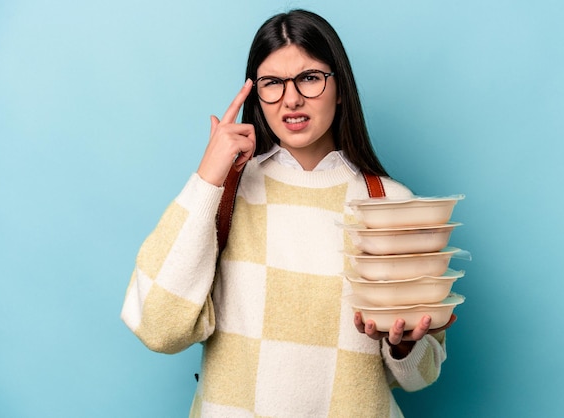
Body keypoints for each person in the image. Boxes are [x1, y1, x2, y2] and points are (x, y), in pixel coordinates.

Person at [121, 9, 455, 417]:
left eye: (310, 78)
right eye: (272, 83)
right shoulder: (224, 193)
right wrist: (208, 175)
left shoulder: (391, 203)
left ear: (341, 87)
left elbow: (422, 376)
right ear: (255, 95)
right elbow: (157, 325)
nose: (291, 98)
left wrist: (403, 344)